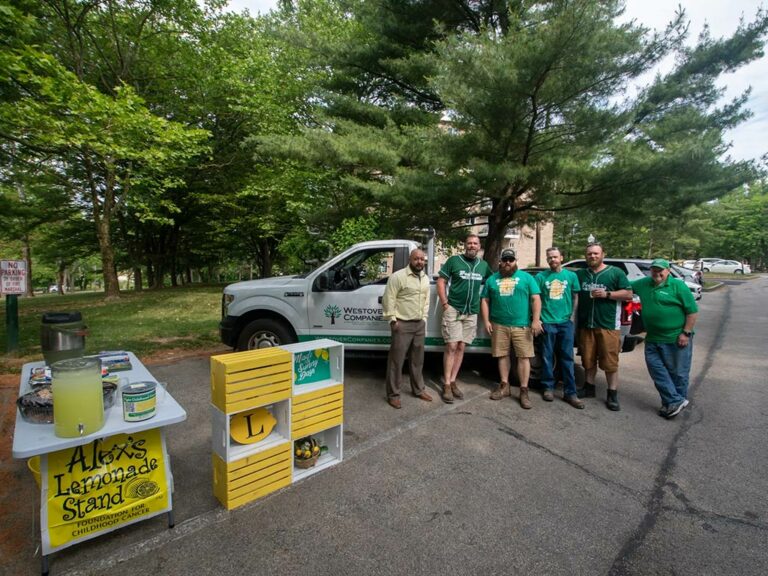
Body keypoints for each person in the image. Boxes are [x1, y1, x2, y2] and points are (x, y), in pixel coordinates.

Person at [630, 259, 698, 418]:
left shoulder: (678, 286)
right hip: (653, 337)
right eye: (654, 270)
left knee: (679, 373)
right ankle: (675, 401)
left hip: (676, 338)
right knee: (656, 370)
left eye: (660, 270)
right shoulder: (644, 283)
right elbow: (624, 284)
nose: (656, 273)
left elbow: (692, 311)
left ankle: (671, 404)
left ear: (668, 271)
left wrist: (686, 333)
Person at [480, 249, 542, 409]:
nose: (508, 262)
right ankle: (504, 386)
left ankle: (523, 390)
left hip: (521, 325)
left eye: (511, 259)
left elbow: (536, 299)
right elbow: (485, 300)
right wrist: (486, 320)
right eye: (505, 259)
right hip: (499, 324)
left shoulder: (527, 278)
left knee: (524, 357)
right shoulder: (492, 279)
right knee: (502, 355)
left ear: (515, 261)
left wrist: (535, 320)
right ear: (500, 261)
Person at [574, 242, 633, 411]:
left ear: (603, 254)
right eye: (589, 254)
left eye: (595, 253)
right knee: (588, 359)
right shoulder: (581, 274)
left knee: (610, 362)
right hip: (586, 324)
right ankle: (589, 387)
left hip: (608, 324)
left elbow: (628, 293)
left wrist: (607, 294)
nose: (592, 256)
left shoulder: (615, 273)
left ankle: (612, 394)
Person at [436, 234, 492, 403]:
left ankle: (453, 381)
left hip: (472, 311)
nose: (472, 246)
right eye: (469, 243)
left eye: (475, 243)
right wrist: (445, 303)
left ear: (479, 246)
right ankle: (446, 384)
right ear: (465, 245)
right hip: (454, 309)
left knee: (461, 346)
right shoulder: (454, 261)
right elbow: (441, 281)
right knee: (451, 345)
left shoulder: (483, 265)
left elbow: (492, 282)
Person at [382, 249, 432, 409]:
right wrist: (392, 320)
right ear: (410, 259)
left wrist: (424, 319)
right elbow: (388, 298)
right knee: (396, 361)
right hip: (402, 324)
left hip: (419, 325)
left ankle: (418, 390)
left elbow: (426, 301)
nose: (419, 262)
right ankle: (393, 395)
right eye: (416, 259)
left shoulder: (425, 279)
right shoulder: (398, 276)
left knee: (418, 360)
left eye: (422, 259)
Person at [535, 247, 584, 409]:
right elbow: (536, 299)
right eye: (549, 258)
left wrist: (571, 317)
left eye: (555, 257)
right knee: (547, 356)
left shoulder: (571, 276)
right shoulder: (541, 277)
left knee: (567, 357)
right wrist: (538, 319)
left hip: (565, 323)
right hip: (547, 322)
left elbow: (576, 296)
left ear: (561, 257)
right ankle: (548, 387)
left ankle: (570, 393)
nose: (552, 260)